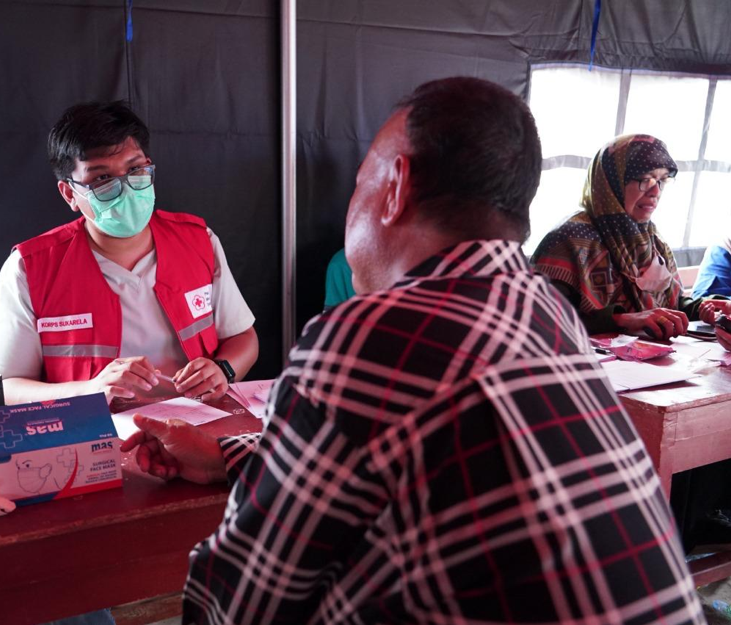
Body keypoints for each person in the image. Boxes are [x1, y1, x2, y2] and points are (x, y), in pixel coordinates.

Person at [122, 78, 704, 624]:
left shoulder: (369, 334)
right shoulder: (546, 312)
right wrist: (230, 454)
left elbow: (244, 601)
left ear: (395, 186)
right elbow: (415, 454)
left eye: (360, 183)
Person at [0, 101, 258, 406]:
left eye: (135, 169)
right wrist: (89, 390)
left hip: (198, 421)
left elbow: (243, 337)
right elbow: (0, 389)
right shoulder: (29, 269)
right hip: (93, 437)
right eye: (102, 179)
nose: (125, 188)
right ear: (70, 193)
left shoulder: (198, 242)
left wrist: (223, 369)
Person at [531, 134, 731, 338]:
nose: (655, 191)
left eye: (662, 180)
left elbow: (672, 303)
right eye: (645, 180)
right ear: (611, 182)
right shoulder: (569, 240)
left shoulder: (651, 239)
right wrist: (623, 319)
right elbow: (540, 320)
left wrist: (703, 308)